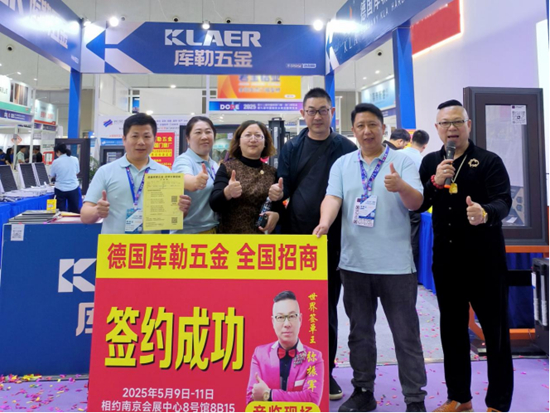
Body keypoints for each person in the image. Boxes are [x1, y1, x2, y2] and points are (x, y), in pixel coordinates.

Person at [314, 103, 427, 413]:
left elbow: (416, 203)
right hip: (355, 264)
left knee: (406, 335)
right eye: (361, 126)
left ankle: (414, 399)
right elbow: (333, 197)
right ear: (354, 130)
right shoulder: (343, 164)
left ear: (383, 128)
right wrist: (325, 222)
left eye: (373, 125)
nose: (367, 131)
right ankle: (363, 391)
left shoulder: (401, 161)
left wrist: (401, 187)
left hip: (396, 266)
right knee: (360, 334)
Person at [418, 100, 513, 413]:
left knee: (495, 332)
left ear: (468, 125)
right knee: (452, 331)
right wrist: (435, 181)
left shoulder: (488, 161)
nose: (452, 128)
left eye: (457, 122)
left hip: (485, 260)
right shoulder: (431, 161)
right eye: (445, 123)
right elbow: (420, 203)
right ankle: (460, 397)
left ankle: (498, 403)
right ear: (437, 128)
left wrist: (485, 212)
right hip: (447, 261)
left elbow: (504, 201)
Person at [272, 87, 356, 400]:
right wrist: (276, 195)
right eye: (311, 111)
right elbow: (284, 187)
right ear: (303, 114)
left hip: (334, 239)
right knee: (292, 308)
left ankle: (326, 371)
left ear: (332, 112)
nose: (317, 116)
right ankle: (292, 371)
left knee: (326, 306)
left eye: (323, 110)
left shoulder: (346, 147)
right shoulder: (292, 147)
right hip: (297, 239)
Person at [81, 113, 191, 234]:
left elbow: (174, 217)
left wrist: (181, 210)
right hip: (116, 245)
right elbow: (85, 216)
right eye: (135, 136)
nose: (141, 142)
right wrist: (97, 210)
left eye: (146, 136)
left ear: (154, 140)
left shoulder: (165, 173)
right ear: (124, 139)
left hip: (150, 245)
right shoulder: (106, 171)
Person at [246, 290, 324, 406]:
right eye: (280, 317)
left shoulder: (314, 357)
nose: (287, 324)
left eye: (292, 316)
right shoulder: (260, 354)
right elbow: (251, 400)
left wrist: (269, 394)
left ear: (300, 319)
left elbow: (312, 400)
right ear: (273, 321)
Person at [209, 120, 280, 234]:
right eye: (248, 135)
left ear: (265, 142)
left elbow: (278, 206)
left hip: (262, 240)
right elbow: (214, 204)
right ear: (239, 142)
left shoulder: (272, 172)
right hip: (231, 238)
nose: (253, 139)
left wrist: (277, 214)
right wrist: (227, 193)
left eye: (258, 135)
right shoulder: (227, 168)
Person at [171, 116, 219, 234]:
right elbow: (183, 178)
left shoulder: (213, 164)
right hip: (189, 234)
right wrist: (195, 182)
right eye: (198, 132)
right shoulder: (184, 160)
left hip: (212, 230)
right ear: (188, 138)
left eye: (208, 132)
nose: (204, 137)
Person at [402, 129, 430, 266]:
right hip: (412, 206)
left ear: (411, 141)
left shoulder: (397, 154)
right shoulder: (422, 160)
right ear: (424, 146)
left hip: (394, 204)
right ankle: (410, 268)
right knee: (412, 239)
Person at [50, 143, 81, 213]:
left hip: (60, 188)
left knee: (60, 211)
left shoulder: (56, 162)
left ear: (58, 152)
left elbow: (52, 175)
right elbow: (77, 172)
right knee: (74, 211)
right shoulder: (75, 159)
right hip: (73, 187)